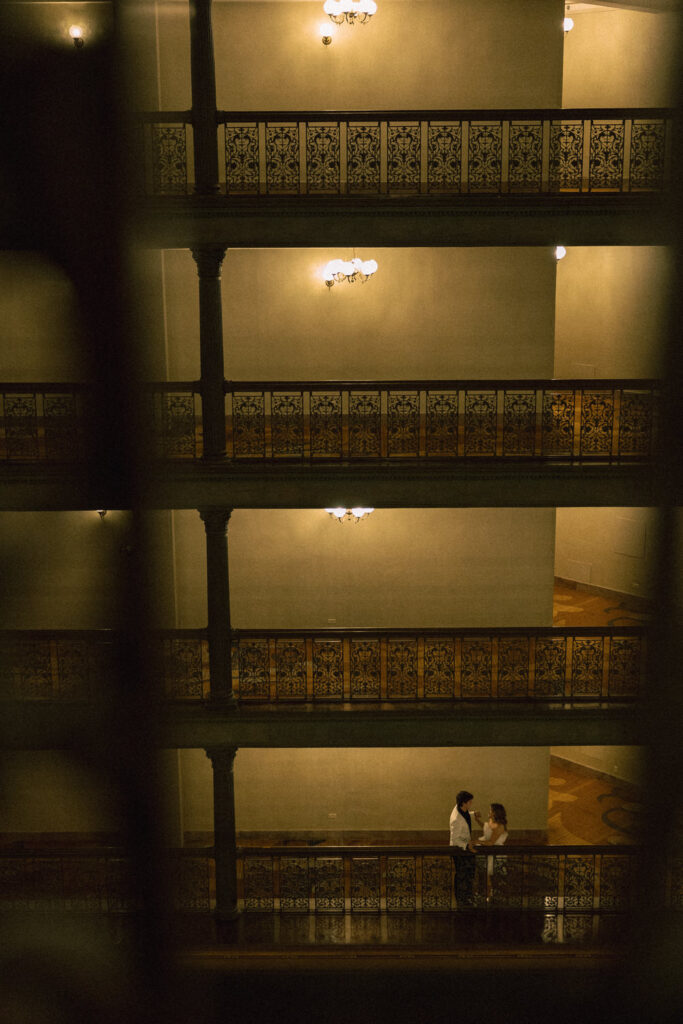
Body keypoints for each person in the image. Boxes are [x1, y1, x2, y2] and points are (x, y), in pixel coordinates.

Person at [449, 790, 482, 907]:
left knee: (469, 874)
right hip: (459, 850)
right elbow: (455, 838)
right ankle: (461, 900)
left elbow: (466, 816)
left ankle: (468, 897)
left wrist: (473, 814)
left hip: (466, 848)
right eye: (470, 802)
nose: (471, 804)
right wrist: (467, 846)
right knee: (462, 875)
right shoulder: (456, 819)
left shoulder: (461, 809)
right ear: (464, 803)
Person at [475, 803, 509, 897]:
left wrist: (476, 841)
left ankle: (496, 895)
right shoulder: (491, 821)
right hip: (486, 851)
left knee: (495, 875)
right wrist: (477, 820)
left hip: (495, 852)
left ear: (495, 813)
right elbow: (486, 829)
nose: (489, 812)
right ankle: (482, 893)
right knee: (482, 873)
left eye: (491, 810)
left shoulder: (500, 826)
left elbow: (491, 842)